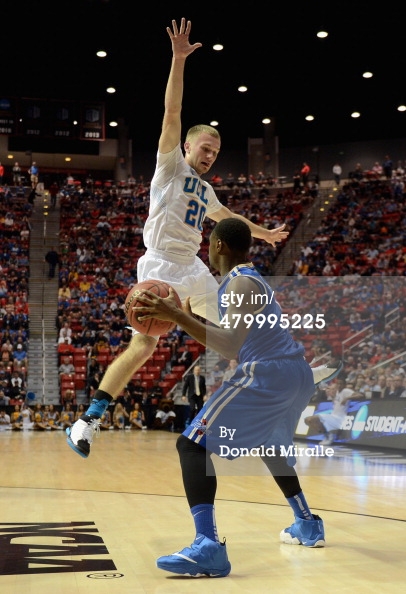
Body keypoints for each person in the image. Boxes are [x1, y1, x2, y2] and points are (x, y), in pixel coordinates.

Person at [66, 17, 336, 459]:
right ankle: (88, 420)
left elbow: (227, 215)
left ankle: (297, 370)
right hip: (158, 264)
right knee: (145, 343)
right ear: (187, 147)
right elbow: (172, 112)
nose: (209, 155)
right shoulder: (170, 166)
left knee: (242, 316)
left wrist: (265, 232)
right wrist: (177, 61)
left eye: (215, 150)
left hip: (193, 266)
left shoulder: (206, 189)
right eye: (204, 148)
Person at [134, 217, 339, 577]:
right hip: (293, 372)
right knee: (271, 449)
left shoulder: (241, 283)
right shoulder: (242, 282)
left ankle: (208, 548)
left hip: (270, 372)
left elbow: (230, 344)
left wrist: (176, 315)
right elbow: (235, 344)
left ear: (218, 246)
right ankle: (307, 524)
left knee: (192, 446)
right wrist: (183, 314)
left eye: (209, 243)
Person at [304, 378, 364, 445]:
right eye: (338, 383)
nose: (339, 385)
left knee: (312, 419)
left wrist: (347, 398)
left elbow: (360, 395)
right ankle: (327, 435)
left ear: (344, 385)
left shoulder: (345, 391)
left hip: (340, 418)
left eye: (341, 383)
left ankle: (329, 436)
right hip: (333, 416)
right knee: (307, 420)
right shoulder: (337, 392)